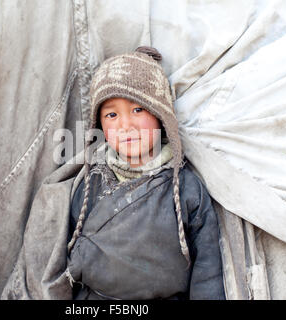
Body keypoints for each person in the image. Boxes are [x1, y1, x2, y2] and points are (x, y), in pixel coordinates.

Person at [65, 46, 225, 300]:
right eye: (112, 114)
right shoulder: (89, 185)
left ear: (161, 115)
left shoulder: (185, 187)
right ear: (100, 126)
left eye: (138, 109)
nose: (125, 125)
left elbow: (208, 269)